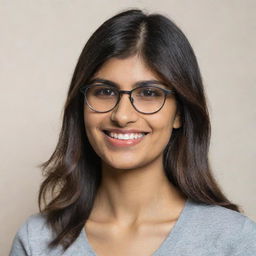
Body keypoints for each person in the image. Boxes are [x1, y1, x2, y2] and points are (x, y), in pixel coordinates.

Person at [9, 8, 256, 256]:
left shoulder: (233, 240)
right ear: (82, 104)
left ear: (179, 113)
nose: (122, 115)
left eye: (149, 93)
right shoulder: (37, 241)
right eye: (104, 91)